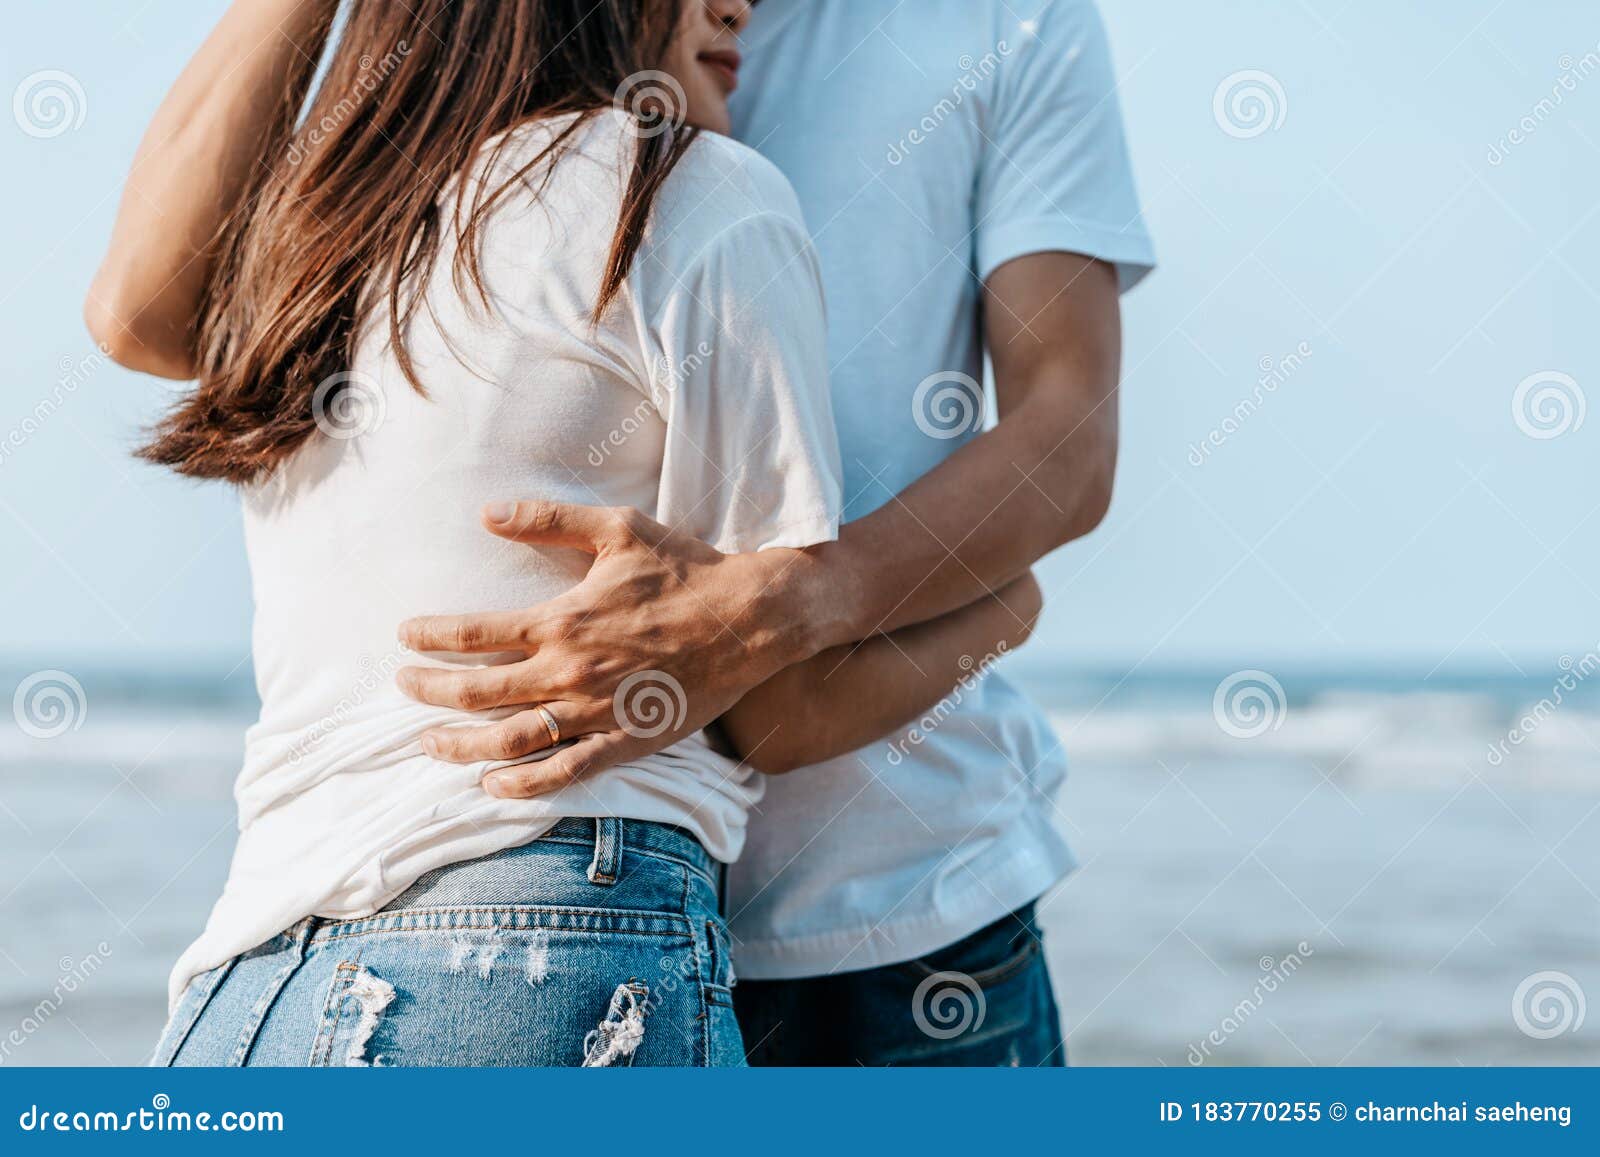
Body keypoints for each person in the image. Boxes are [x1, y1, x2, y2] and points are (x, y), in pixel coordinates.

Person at [87, 0, 1042, 1067]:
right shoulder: (696, 193)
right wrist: (1004, 605)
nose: (741, 6)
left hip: (245, 990)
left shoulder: (315, 247)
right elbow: (777, 712)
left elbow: (133, 309)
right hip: (544, 960)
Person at [395, 0, 1155, 1066]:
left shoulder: (1007, 22)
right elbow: (144, 316)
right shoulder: (500, 31)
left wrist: (779, 607)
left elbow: (1066, 437)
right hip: (555, 914)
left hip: (903, 911)